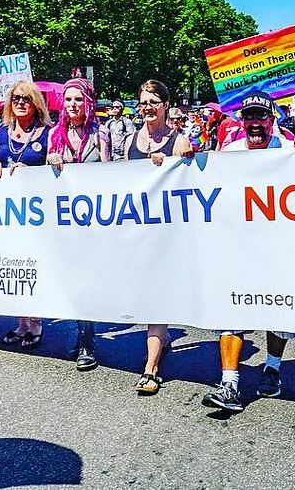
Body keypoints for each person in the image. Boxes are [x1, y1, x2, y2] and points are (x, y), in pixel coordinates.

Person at [202, 91, 295, 411]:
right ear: (241, 121)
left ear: (272, 120)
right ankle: (230, 383)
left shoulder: (289, 150)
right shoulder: (229, 153)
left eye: (261, 116)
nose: (255, 123)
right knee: (231, 310)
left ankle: (272, 368)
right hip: (240, 248)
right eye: (249, 117)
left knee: (277, 312)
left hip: (279, 249)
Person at [126, 79, 192, 395]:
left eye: (154, 101)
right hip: (138, 230)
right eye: (143, 102)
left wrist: (178, 161)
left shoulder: (179, 142)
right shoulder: (129, 142)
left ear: (166, 105)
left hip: (167, 233)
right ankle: (162, 339)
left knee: (157, 295)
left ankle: (151, 367)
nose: (148, 107)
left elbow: (189, 177)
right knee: (142, 292)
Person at [46, 78, 110, 370]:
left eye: (78, 100)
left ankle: (87, 338)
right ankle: (82, 332)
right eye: (68, 100)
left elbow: (112, 174)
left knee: (89, 277)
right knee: (73, 277)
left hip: (94, 218)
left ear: (88, 102)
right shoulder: (54, 136)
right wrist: (52, 159)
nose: (73, 105)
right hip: (65, 218)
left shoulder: (101, 134)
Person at [0, 80, 51, 349]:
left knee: (33, 265)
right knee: (14, 266)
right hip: (6, 214)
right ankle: (21, 321)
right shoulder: (1, 132)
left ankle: (36, 322)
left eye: (26, 98)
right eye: (15, 98)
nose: (20, 102)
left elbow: (55, 166)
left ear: (36, 104)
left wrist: (33, 171)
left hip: (36, 214)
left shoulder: (47, 133)